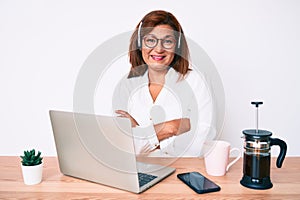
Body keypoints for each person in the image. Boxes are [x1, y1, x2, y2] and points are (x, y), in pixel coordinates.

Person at [112, 10, 216, 157]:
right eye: (150, 40)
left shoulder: (196, 82)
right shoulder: (127, 84)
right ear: (140, 44)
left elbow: (200, 139)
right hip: (136, 171)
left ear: (177, 46)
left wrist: (142, 136)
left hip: (181, 171)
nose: (159, 49)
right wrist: (170, 128)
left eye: (167, 41)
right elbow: (121, 143)